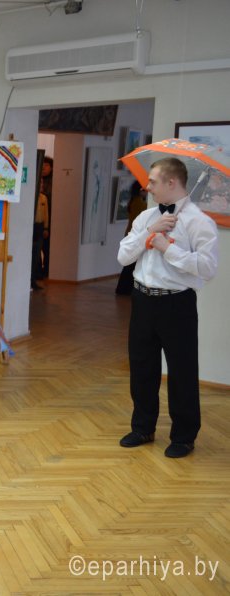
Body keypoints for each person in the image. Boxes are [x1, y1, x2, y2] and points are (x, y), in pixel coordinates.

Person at [116, 157, 219, 458]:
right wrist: (149, 234)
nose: (147, 186)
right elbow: (123, 257)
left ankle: (184, 436)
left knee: (182, 371)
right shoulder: (146, 217)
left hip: (177, 303)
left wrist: (168, 248)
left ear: (171, 182)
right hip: (142, 300)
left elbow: (207, 268)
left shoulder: (199, 222)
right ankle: (142, 428)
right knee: (142, 367)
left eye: (153, 181)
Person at [115, 181, 148, 295]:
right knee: (131, 265)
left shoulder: (134, 201)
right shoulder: (139, 203)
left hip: (132, 234)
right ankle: (124, 289)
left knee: (130, 264)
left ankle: (124, 288)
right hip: (135, 236)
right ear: (140, 190)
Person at [39, 157, 54, 278]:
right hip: (38, 218)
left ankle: (47, 270)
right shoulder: (37, 179)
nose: (43, 168)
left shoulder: (54, 182)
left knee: (47, 247)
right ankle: (38, 271)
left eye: (46, 165)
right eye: (42, 165)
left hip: (49, 219)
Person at [31, 191, 49, 291]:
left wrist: (46, 227)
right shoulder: (32, 196)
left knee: (37, 255)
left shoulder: (43, 198)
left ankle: (34, 279)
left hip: (40, 226)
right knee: (30, 254)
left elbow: (46, 213)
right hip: (32, 225)